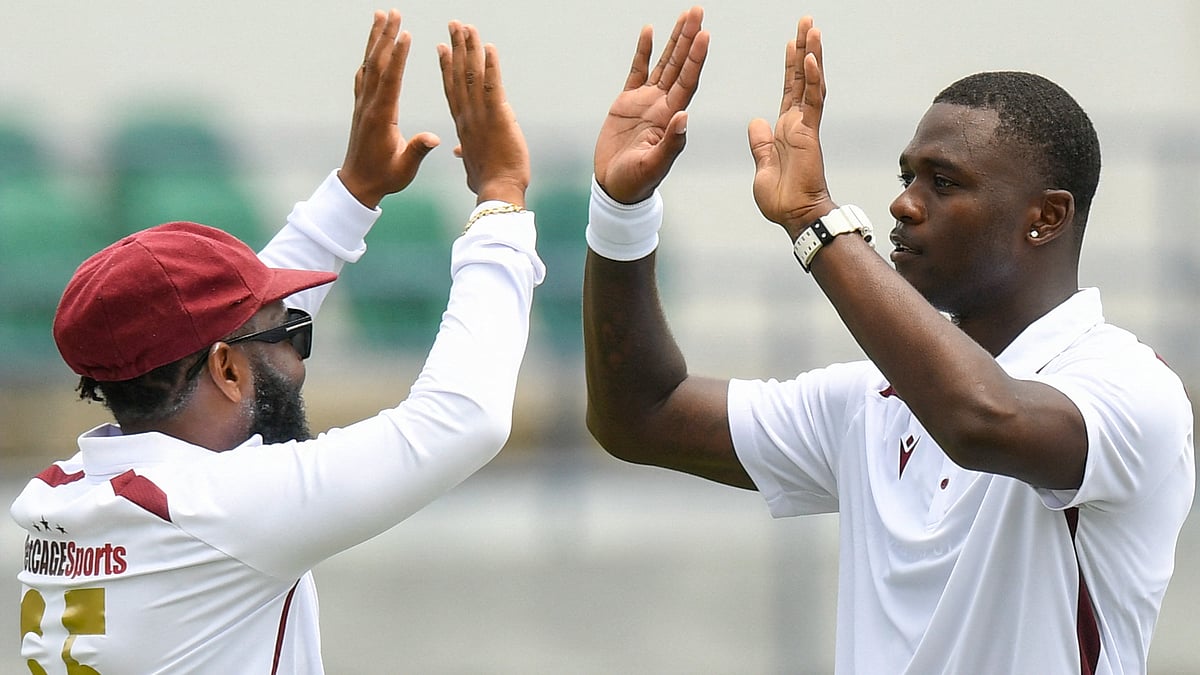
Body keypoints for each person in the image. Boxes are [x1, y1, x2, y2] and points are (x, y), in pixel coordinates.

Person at [583, 7, 1194, 674]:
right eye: (907, 177)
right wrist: (620, 214)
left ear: (1046, 217)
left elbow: (982, 419)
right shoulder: (873, 401)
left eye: (944, 182)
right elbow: (640, 416)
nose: (904, 203)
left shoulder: (1132, 386)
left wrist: (816, 221)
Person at [12, 9, 543, 673]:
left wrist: (353, 193)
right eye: (294, 331)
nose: (298, 351)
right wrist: (501, 200)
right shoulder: (219, 508)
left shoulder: (62, 495)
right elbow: (464, 419)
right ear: (227, 371)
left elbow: (228, 330)